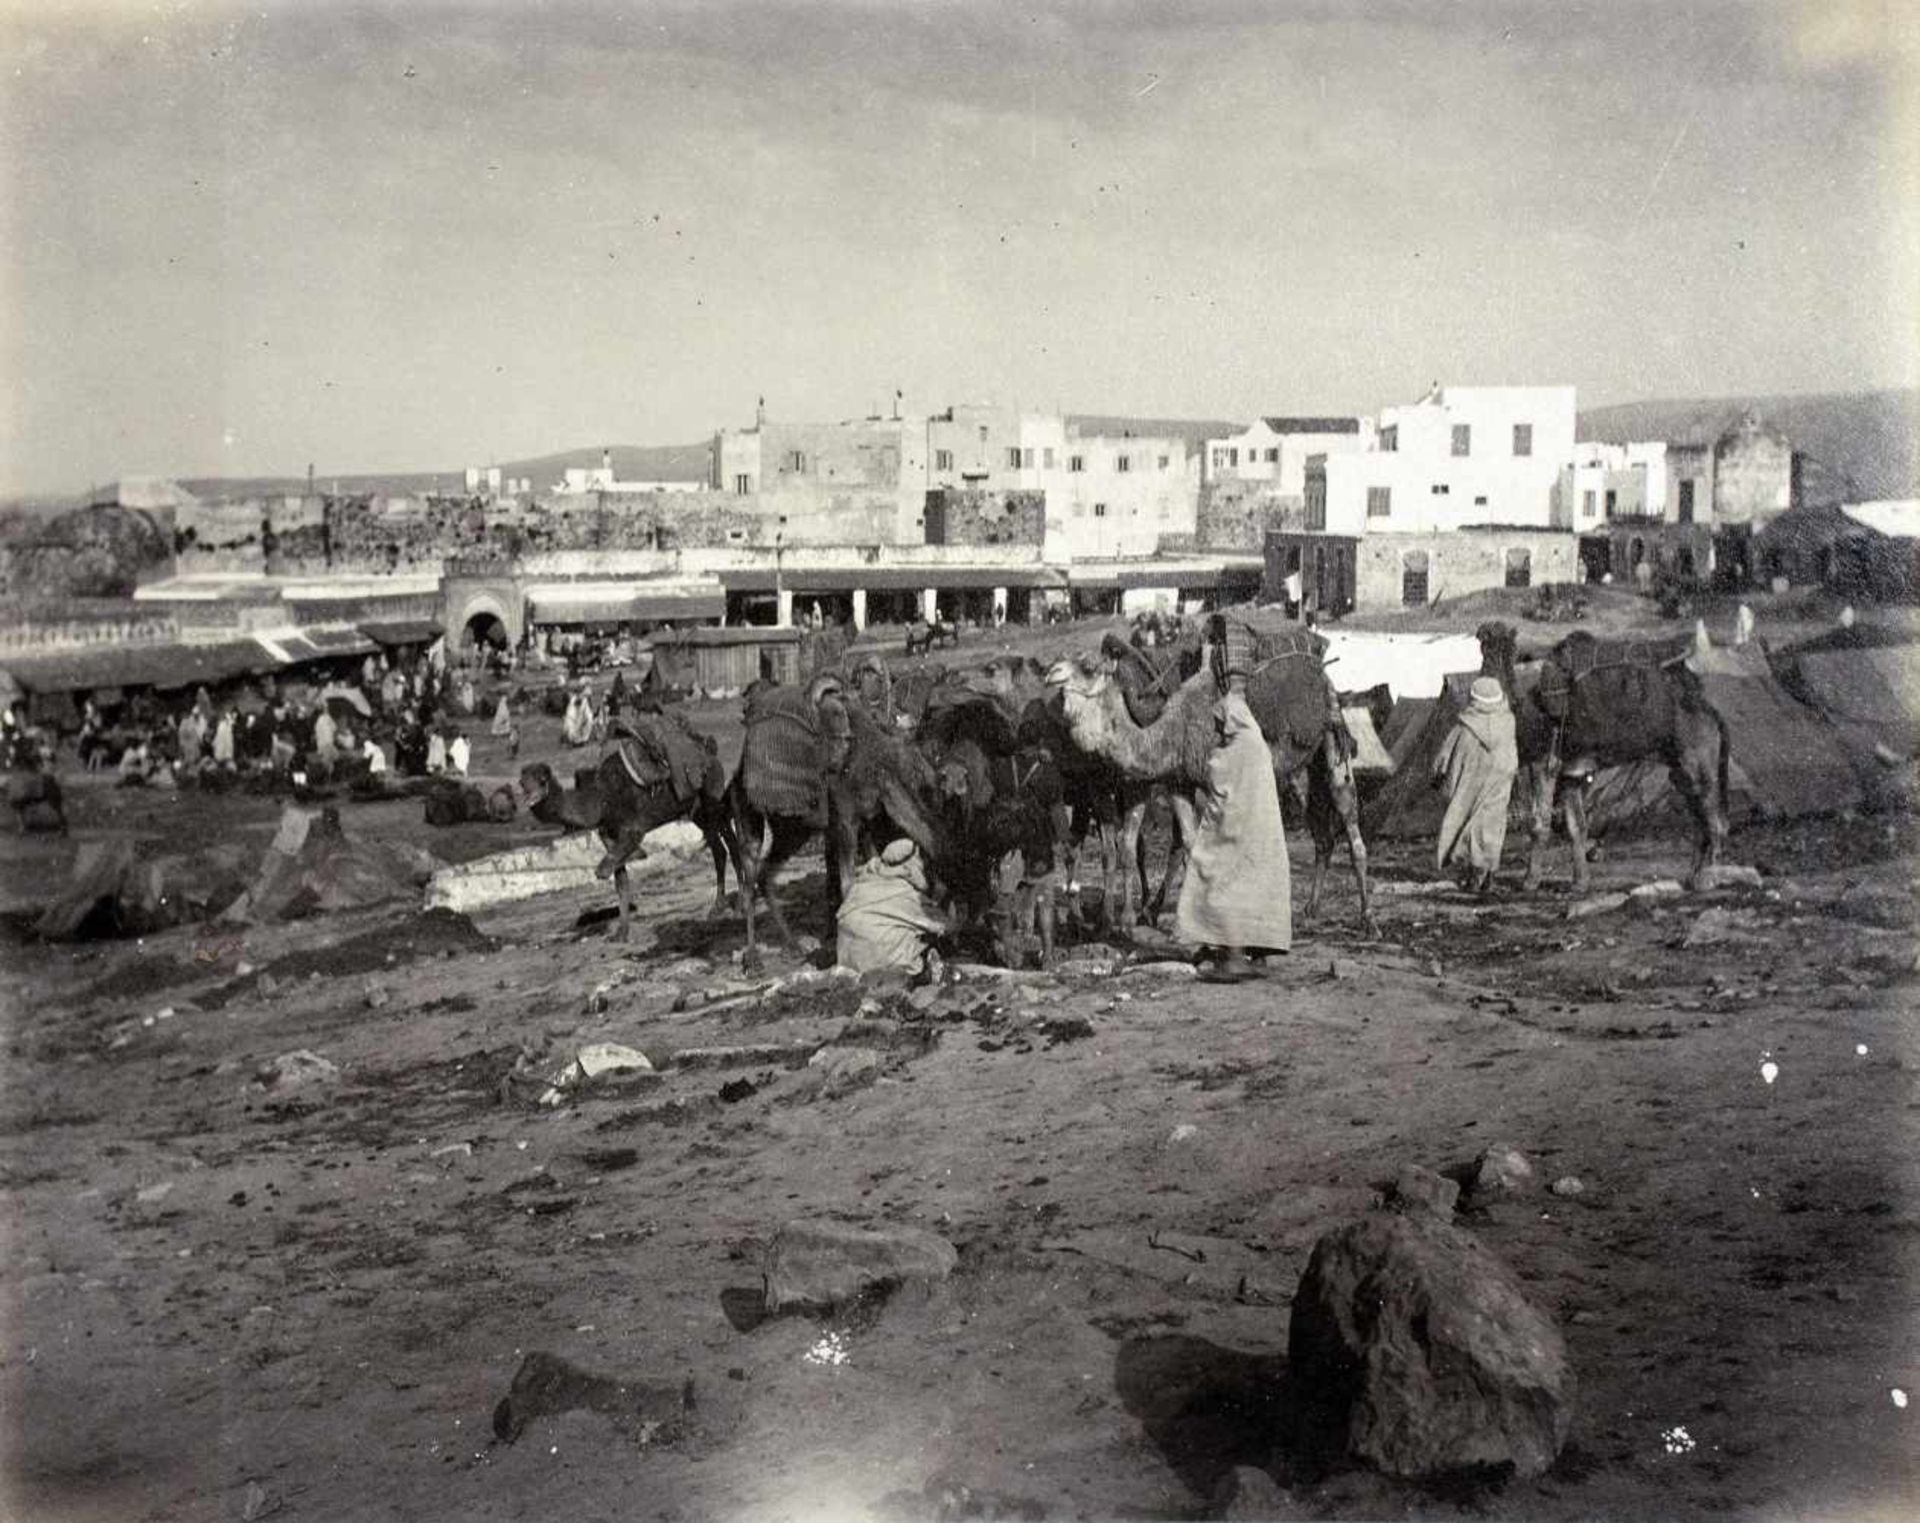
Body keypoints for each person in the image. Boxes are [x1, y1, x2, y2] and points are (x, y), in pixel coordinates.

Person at [1176, 690, 1291, 982]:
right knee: (1255, 887)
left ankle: (1235, 957)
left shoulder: (1235, 750)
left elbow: (1218, 779)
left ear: (1231, 720)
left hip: (1234, 830)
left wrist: (1215, 756)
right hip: (1261, 832)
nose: (1216, 728)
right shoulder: (1258, 745)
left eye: (1219, 721)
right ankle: (1258, 953)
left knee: (1223, 884)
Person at [1432, 676, 1519, 896]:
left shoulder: (1463, 728)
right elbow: (1511, 757)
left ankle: (1474, 874)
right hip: (1499, 784)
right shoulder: (1508, 723)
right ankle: (1488, 874)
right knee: (1492, 828)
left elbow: (1445, 758)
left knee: (1469, 825)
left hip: (1469, 787)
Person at [835, 839, 949, 980]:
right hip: (884, 971)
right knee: (931, 941)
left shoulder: (861, 883)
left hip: (848, 964)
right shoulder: (907, 894)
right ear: (911, 862)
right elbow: (940, 926)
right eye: (918, 858)